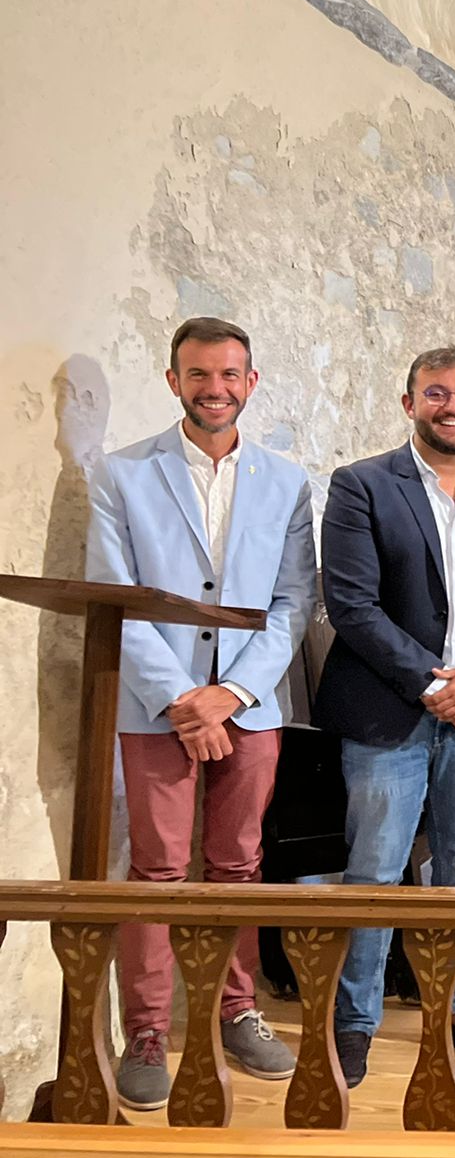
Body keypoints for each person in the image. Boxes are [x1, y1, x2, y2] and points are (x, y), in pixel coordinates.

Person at [85, 316, 315, 1110]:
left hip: (249, 708)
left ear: (251, 383)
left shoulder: (286, 481)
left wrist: (234, 693)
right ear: (173, 380)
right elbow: (115, 598)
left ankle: (236, 1007)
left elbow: (291, 602)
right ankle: (147, 1028)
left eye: (229, 376)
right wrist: (184, 699)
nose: (214, 389)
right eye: (198, 375)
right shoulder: (121, 475)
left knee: (239, 865)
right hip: (157, 707)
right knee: (154, 869)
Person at [316, 347, 455, 1086]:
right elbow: (350, 603)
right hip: (388, 711)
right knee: (375, 868)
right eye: (436, 393)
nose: (452, 406)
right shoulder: (362, 486)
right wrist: (430, 683)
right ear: (409, 402)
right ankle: (355, 1020)